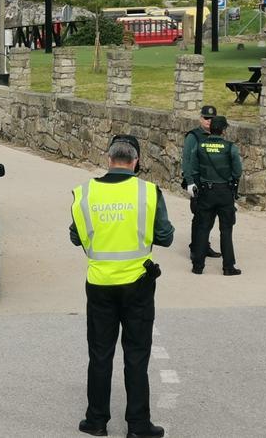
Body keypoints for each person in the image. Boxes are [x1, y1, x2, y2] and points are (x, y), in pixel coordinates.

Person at [70, 135, 174, 438]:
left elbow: (75, 236)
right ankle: (138, 426)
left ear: (108, 158)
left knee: (100, 354)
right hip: (138, 285)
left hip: (100, 283)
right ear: (136, 161)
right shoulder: (149, 192)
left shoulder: (84, 193)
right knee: (136, 355)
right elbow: (165, 236)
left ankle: (97, 421)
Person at [184, 116, 243, 276]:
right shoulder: (230, 147)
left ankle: (198, 266)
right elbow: (237, 171)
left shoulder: (200, 145)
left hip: (206, 192)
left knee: (203, 228)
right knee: (226, 230)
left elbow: (193, 168)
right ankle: (228, 267)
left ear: (211, 129)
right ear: (223, 130)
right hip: (225, 193)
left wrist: (194, 183)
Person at [182, 106, 222, 261]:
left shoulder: (217, 135)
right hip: (198, 182)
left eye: (211, 118)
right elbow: (186, 160)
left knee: (210, 216)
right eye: (206, 118)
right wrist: (189, 181)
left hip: (213, 182)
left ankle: (204, 245)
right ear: (200, 119)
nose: (209, 121)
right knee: (199, 216)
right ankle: (195, 248)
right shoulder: (194, 136)